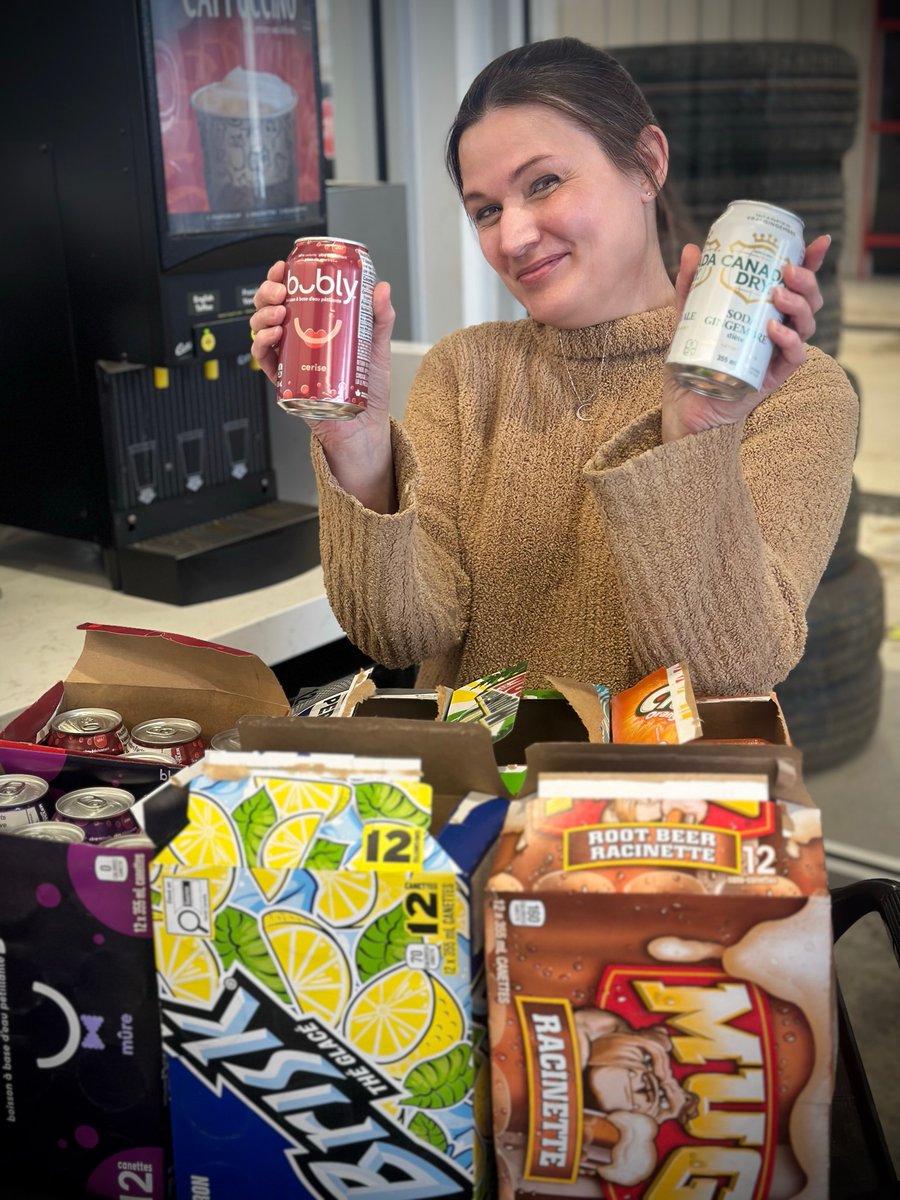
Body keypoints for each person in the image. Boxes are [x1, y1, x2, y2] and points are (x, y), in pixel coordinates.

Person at [250, 37, 857, 698]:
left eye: (544, 183)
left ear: (647, 163)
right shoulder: (465, 371)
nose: (512, 238)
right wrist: (356, 441)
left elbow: (726, 671)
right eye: (486, 211)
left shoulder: (797, 393)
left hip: (659, 801)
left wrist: (698, 432)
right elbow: (400, 637)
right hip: (483, 794)